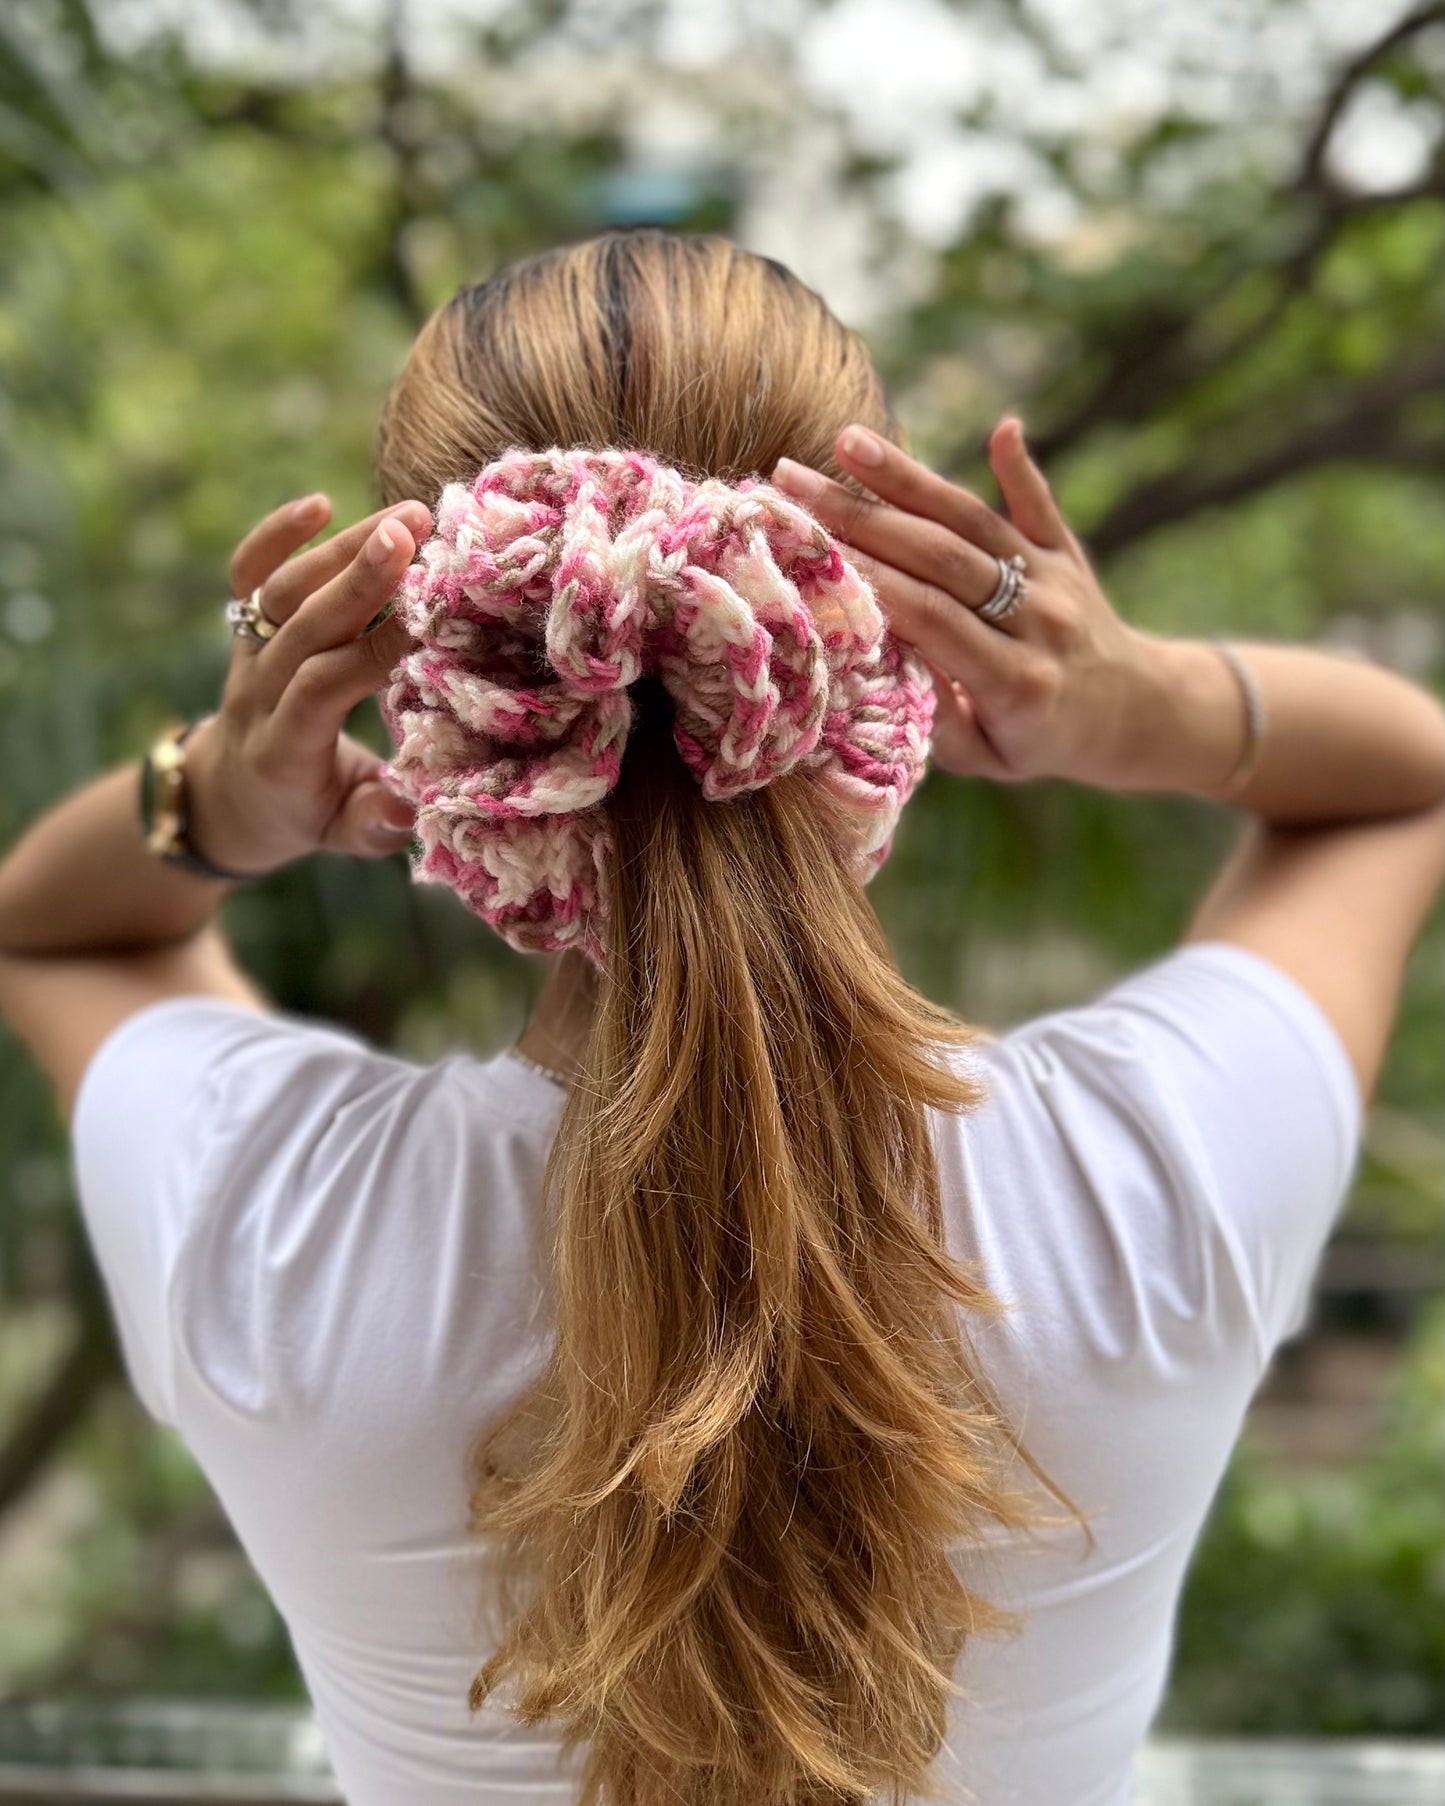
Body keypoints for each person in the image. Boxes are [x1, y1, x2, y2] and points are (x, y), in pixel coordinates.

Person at [0, 228, 1440, 1806]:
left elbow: (48, 927)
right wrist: (1138, 703)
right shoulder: (1155, 1171)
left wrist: (214, 791)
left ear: (444, 685)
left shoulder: (266, 1224)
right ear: (866, 645)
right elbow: (1402, 783)